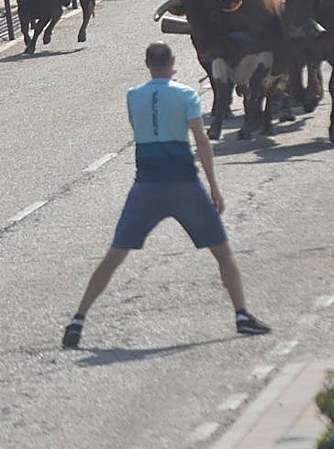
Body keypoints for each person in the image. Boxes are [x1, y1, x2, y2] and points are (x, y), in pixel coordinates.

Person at [61, 42, 270, 349]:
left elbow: (139, 128)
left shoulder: (133, 96)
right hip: (184, 183)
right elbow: (201, 141)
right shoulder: (186, 95)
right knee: (222, 252)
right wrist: (213, 186)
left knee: (115, 255)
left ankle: (78, 320)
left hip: (146, 185)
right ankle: (241, 314)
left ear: (147, 64)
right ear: (173, 62)